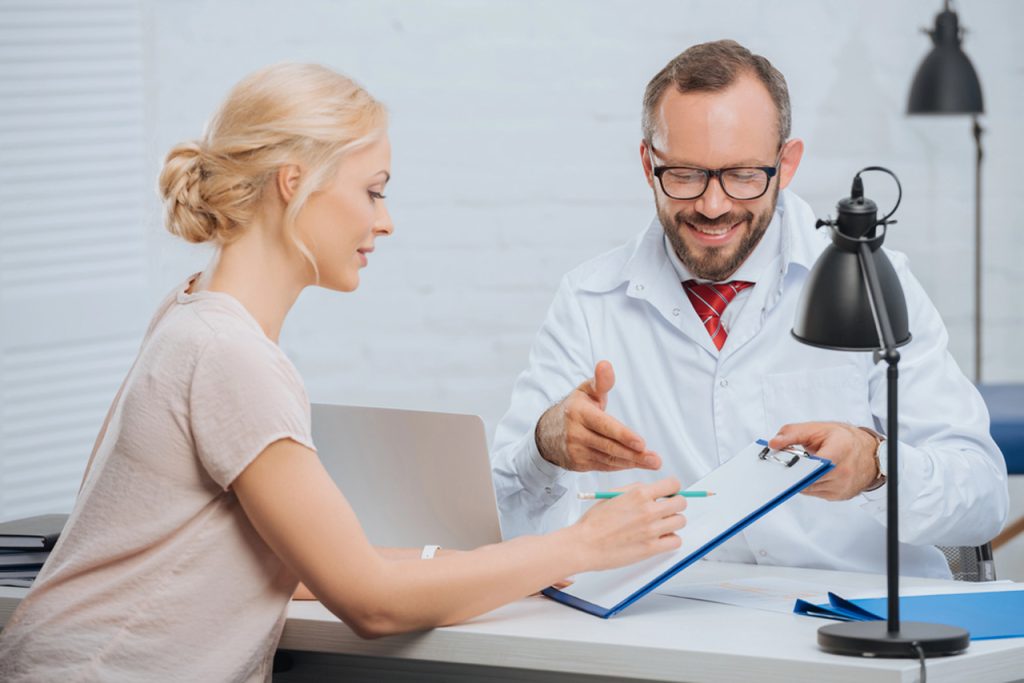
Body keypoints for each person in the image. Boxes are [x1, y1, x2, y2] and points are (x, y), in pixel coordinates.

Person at [0, 63, 689, 682]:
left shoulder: (197, 315)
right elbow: (370, 602)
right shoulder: (228, 355)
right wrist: (582, 543)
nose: (384, 222)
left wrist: (518, 564)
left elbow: (307, 565)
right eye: (373, 191)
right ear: (294, 183)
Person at [491, 40, 1008, 579]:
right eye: (686, 175)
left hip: (851, 629)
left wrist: (876, 465)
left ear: (787, 164)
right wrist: (544, 447)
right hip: (666, 632)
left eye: (742, 175)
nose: (713, 207)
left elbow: (983, 497)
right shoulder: (588, 302)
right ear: (649, 165)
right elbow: (502, 517)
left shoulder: (875, 285)